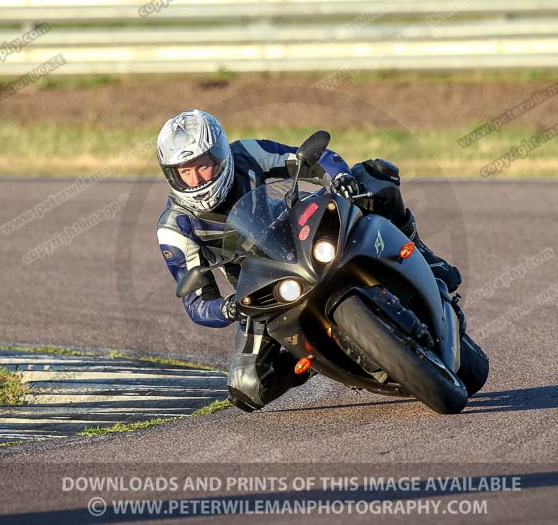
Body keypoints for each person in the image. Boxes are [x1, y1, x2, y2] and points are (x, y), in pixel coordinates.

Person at [156, 109, 466, 412]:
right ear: (172, 175)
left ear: (220, 157)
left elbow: (312, 159)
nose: (196, 178)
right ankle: (314, 354)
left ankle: (423, 254)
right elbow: (196, 302)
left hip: (298, 232)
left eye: (203, 166)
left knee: (371, 177)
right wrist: (227, 308)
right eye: (185, 171)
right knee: (247, 387)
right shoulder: (174, 228)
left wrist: (341, 178)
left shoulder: (246, 154)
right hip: (261, 289)